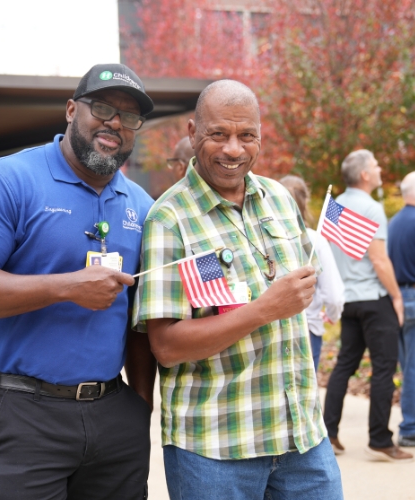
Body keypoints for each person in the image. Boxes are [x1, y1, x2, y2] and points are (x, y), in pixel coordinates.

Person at [0, 63, 157, 500]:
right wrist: (67, 286)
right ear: (72, 109)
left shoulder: (144, 206)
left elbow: (140, 320)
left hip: (115, 415)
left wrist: (140, 408)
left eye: (129, 117)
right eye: (102, 107)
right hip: (24, 413)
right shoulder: (7, 180)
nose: (115, 122)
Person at [133, 80, 343, 500]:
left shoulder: (280, 200)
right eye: (218, 134)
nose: (233, 149)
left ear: (260, 137)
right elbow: (167, 346)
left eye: (246, 135)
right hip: (216, 451)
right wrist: (263, 309)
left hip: (302, 439)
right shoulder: (168, 218)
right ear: (193, 133)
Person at [323, 150, 412, 462]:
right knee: (384, 368)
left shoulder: (334, 209)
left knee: (344, 365)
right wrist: (397, 297)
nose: (380, 169)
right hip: (374, 301)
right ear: (364, 175)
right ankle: (380, 438)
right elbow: (379, 259)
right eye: (376, 165)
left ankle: (329, 432)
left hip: (347, 300)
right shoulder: (371, 208)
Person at [279, 175, 344, 372]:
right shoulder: (315, 240)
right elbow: (334, 294)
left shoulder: (264, 239)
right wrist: (333, 315)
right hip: (307, 329)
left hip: (272, 329)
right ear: (305, 201)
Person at [388, 171, 415, 447]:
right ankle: (410, 428)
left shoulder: (393, 223)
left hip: (397, 298)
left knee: (408, 367)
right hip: (413, 297)